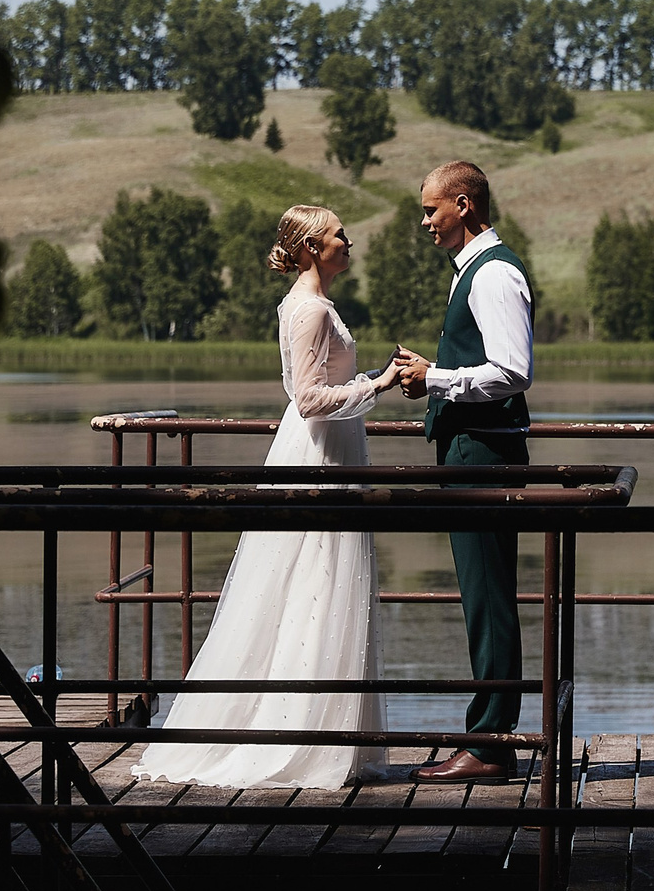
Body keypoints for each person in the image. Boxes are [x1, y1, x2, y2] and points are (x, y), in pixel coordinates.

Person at [133, 205, 396, 788]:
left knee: (323, 580)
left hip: (334, 449)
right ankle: (298, 734)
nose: (348, 242)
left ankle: (332, 734)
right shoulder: (310, 310)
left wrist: (364, 387)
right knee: (312, 579)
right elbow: (307, 399)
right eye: (338, 236)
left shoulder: (311, 305)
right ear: (309, 249)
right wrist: (375, 383)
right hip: (319, 452)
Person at [385, 159, 534, 783]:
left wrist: (437, 377)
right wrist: (434, 372)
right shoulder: (472, 271)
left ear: (463, 206)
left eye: (430, 209)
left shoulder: (494, 274)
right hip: (471, 450)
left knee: (490, 601)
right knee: (481, 599)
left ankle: (492, 744)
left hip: (485, 454)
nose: (425, 221)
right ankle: (487, 733)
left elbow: (512, 371)